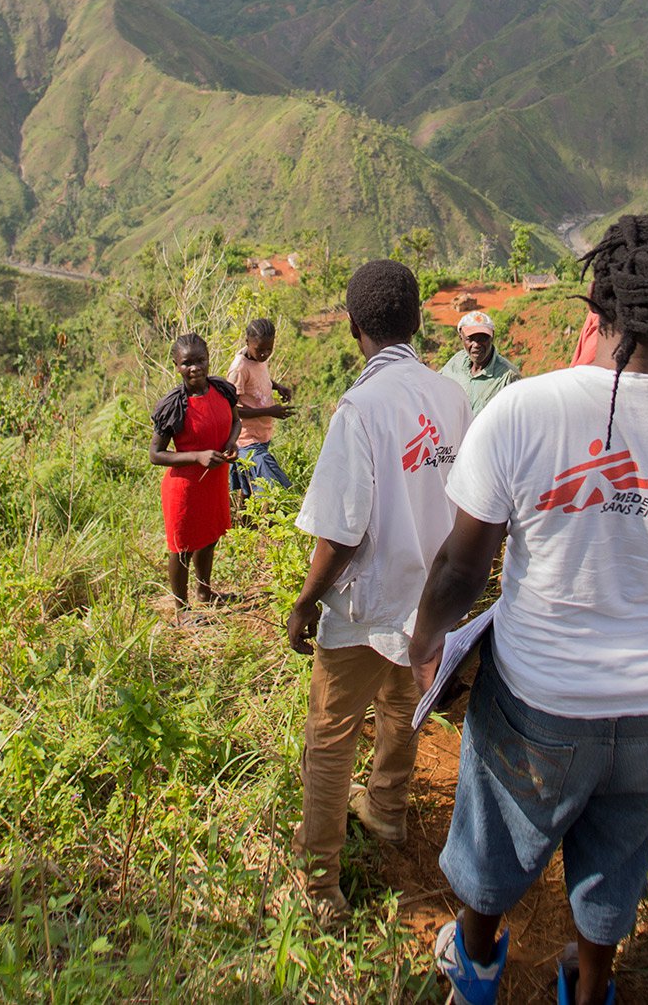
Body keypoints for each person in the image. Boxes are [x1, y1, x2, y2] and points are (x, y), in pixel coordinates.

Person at [410, 215, 648, 1005]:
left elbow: (458, 567)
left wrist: (425, 645)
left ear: (600, 304)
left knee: (494, 847)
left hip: (539, 695)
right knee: (617, 860)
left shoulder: (522, 412)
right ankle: (589, 987)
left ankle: (476, 966)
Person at [286, 260, 473, 920]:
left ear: (353, 327)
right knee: (401, 704)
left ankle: (320, 884)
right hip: (431, 597)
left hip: (370, 603)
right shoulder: (452, 396)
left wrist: (306, 601)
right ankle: (387, 811)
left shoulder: (360, 408)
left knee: (331, 735)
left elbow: (340, 531)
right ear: (418, 321)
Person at [150, 333, 240, 608]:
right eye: (187, 363)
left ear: (208, 359)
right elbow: (155, 454)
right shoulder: (174, 406)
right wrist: (197, 456)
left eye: (200, 360)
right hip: (185, 487)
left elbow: (235, 422)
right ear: (176, 365)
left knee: (210, 538)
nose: (195, 368)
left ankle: (205, 592)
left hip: (214, 480)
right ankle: (181, 608)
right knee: (182, 549)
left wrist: (231, 443)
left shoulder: (223, 390)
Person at [228, 318, 296, 507]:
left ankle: (245, 527)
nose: (265, 354)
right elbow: (232, 409)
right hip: (246, 440)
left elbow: (260, 375)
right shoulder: (239, 369)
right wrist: (269, 411)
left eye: (269, 349)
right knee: (270, 488)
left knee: (248, 488)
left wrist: (277, 387)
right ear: (247, 342)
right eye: (260, 350)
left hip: (262, 435)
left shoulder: (258, 358)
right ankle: (266, 532)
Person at [439, 310, 521, 415]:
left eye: (483, 339)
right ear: (461, 337)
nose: (476, 344)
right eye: (470, 339)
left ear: (492, 337)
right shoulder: (456, 361)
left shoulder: (508, 376)